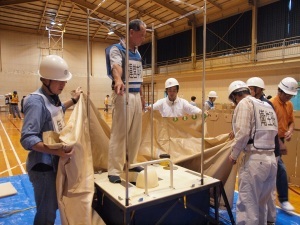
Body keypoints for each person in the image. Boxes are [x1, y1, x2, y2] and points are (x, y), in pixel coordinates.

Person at [20, 55, 82, 225]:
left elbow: (57, 111)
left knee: (53, 206)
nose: (64, 84)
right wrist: (56, 151)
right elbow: (27, 139)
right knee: (47, 212)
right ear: (45, 79)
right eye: (59, 81)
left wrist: (74, 100)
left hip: (53, 164)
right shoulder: (35, 102)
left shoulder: (52, 97)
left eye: (64, 81)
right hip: (42, 168)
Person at [228, 80, 278, 225]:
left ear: (235, 96)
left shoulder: (244, 104)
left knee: (248, 205)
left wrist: (233, 155)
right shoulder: (266, 105)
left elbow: (243, 133)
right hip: (270, 160)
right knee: (261, 204)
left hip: (254, 161)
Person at [105, 19, 146, 184]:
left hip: (136, 95)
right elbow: (116, 66)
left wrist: (142, 97)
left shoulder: (138, 53)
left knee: (135, 133)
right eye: (141, 35)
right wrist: (118, 79)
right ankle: (114, 169)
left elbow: (140, 77)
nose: (143, 38)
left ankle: (131, 163)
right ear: (131, 32)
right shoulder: (117, 49)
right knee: (120, 133)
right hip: (123, 94)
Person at [246, 77, 280, 224]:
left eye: (251, 89)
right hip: (270, 153)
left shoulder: (262, 105)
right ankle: (269, 220)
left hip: (263, 153)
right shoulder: (266, 104)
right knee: (266, 193)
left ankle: (269, 219)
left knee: (261, 195)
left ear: (258, 90)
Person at [269, 77, 297, 213]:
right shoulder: (271, 104)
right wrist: (279, 143)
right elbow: (269, 127)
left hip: (280, 139)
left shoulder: (289, 105)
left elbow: (291, 122)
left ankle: (277, 198)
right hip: (271, 140)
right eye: (287, 95)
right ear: (280, 91)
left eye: (291, 95)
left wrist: (290, 131)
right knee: (281, 169)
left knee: (276, 169)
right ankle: (284, 199)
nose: (289, 97)